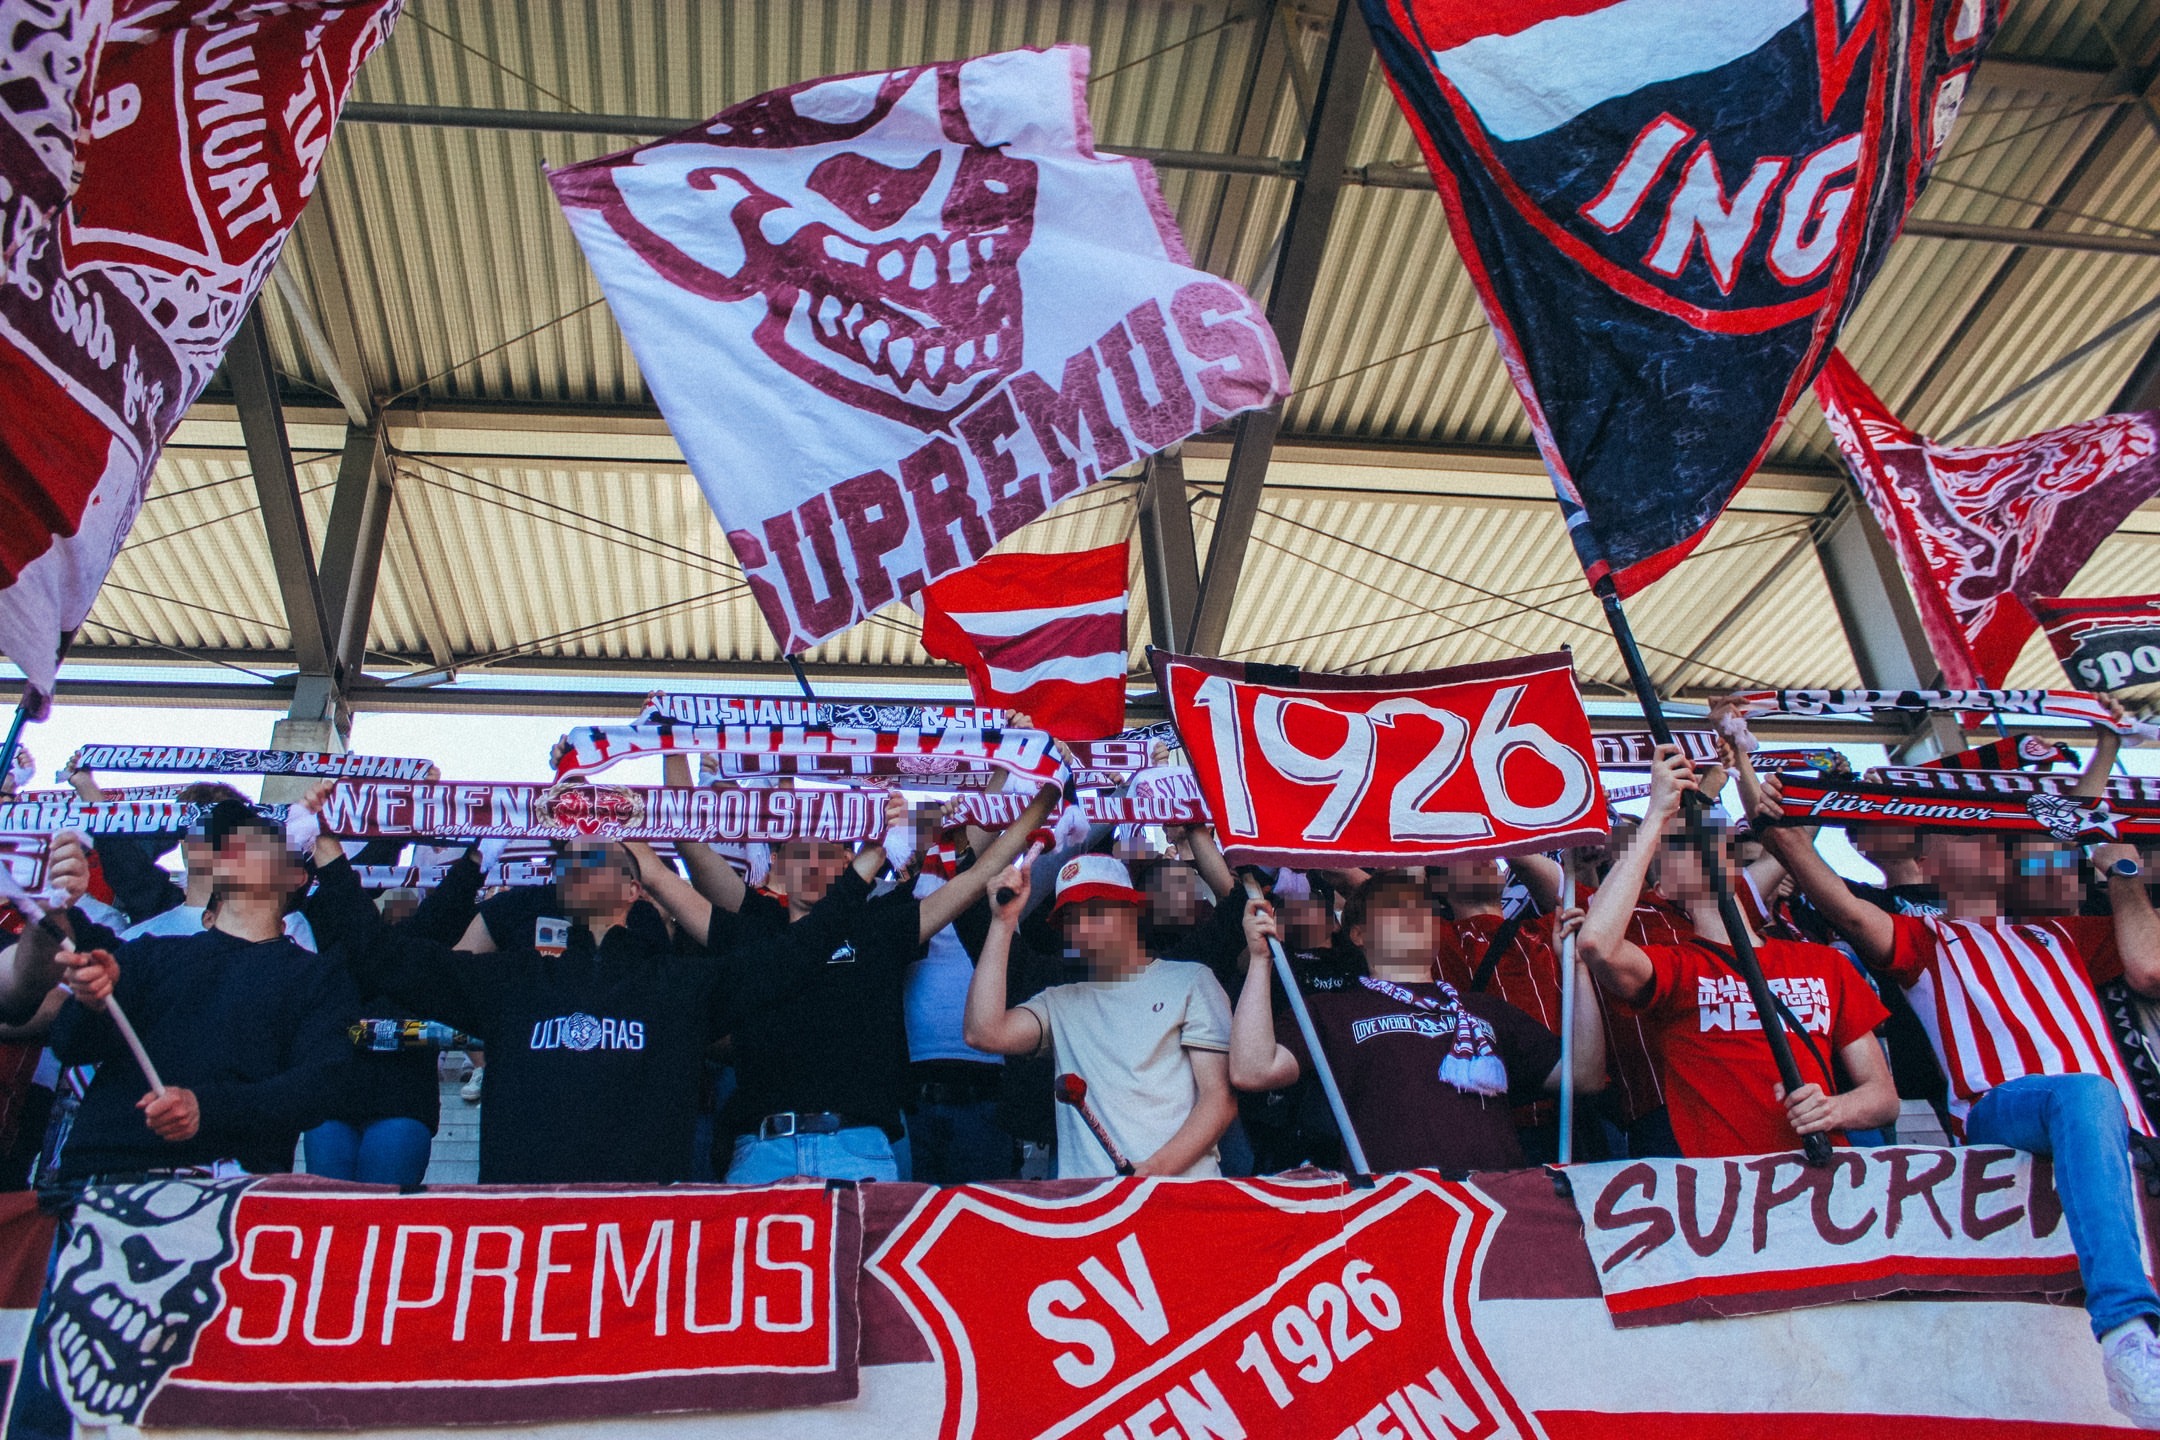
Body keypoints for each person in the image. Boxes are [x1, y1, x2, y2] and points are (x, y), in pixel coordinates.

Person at [1757, 774, 2160, 1426]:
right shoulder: (1926, 940)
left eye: (1990, 843)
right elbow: (1842, 905)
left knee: (2092, 1100)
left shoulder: (2065, 935)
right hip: (2001, 1112)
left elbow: (2150, 964)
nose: (1984, 853)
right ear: (1930, 864)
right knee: (2086, 1093)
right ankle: (2125, 1334)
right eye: (1961, 841)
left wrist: (2120, 869)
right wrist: (1775, 823)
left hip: (2119, 1131)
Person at [359, 813, 899, 1186]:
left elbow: (795, 955)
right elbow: (387, 960)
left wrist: (867, 863)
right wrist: (330, 858)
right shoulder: (508, 979)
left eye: (605, 857)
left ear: (637, 888)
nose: (585, 866)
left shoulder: (677, 983)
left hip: (643, 1231)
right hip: (524, 1230)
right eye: (572, 859)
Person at [670, 783, 1057, 1184]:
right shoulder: (755, 929)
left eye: (827, 851)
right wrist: (669, 732)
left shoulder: (880, 927)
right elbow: (688, 846)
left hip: (857, 1152)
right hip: (762, 1154)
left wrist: (1048, 790)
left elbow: (978, 875)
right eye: (799, 852)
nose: (812, 863)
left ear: (850, 862)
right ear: (777, 865)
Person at [22, 798, 368, 1183]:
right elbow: (70, 1046)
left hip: (228, 1195)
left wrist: (209, 1108)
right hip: (101, 1180)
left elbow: (319, 1085)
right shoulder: (148, 952)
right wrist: (92, 1005)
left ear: (295, 876)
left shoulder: (319, 978)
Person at [1578, 747, 1898, 1159]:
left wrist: (1834, 1109)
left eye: (1716, 837)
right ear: (1664, 886)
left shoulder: (1824, 964)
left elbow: (1883, 1096)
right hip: (1727, 1197)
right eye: (1678, 844)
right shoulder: (1677, 969)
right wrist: (1656, 815)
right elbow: (1596, 945)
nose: (1701, 846)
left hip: (1821, 1186)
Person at [1228, 872, 1605, 1175]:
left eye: (1424, 909)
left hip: (1496, 1209)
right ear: (1358, 934)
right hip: (1391, 1210)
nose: (1415, 915)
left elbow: (1584, 1075)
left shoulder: (1487, 1010)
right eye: (1394, 907)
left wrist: (1577, 969)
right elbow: (1254, 1070)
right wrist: (1262, 961)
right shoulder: (1329, 1010)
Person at [966, 853, 1237, 1178]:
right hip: (1094, 1211)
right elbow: (982, 1033)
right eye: (1071, 919)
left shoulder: (1192, 980)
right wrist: (1003, 922)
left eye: (1095, 912)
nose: (1082, 928)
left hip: (1180, 1203)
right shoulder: (1059, 1002)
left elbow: (1220, 1100)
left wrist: (1152, 1171)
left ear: (1132, 912)